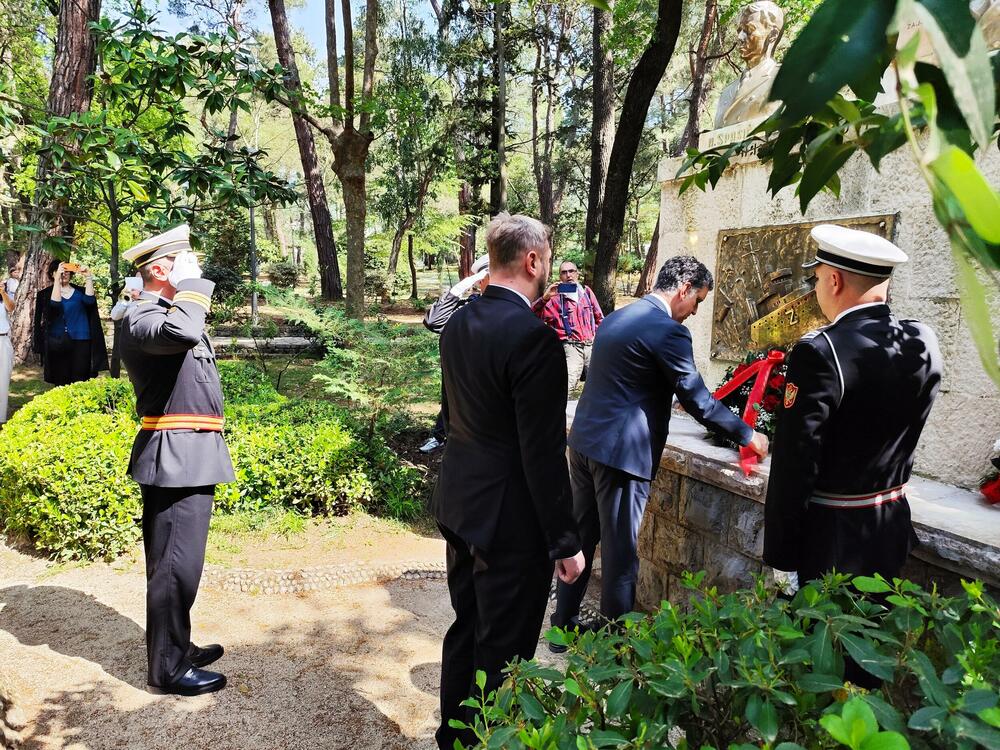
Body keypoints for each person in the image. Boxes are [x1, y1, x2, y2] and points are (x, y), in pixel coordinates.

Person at [551, 256, 769, 645]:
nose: (695, 311)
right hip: (620, 457)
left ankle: (561, 627)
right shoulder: (668, 331)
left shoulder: (618, 317)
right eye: (697, 300)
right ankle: (615, 649)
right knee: (620, 559)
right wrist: (747, 435)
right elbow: (700, 401)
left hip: (584, 445)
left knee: (580, 541)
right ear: (683, 288)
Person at [433, 213, 585, 749]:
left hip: (460, 502)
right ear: (533, 260)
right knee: (505, 647)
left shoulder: (457, 324)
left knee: (466, 627)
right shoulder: (534, 340)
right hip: (509, 524)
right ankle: (487, 742)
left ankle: (454, 738)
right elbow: (542, 454)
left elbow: (454, 417)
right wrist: (565, 542)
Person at [763, 224, 942, 587]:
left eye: (815, 279)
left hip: (832, 542)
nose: (815, 289)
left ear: (834, 280)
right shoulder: (921, 339)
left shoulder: (821, 352)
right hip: (889, 530)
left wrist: (782, 558)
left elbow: (794, 464)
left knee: (823, 642)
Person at [119, 224, 235, 697]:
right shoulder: (140, 315)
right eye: (187, 262)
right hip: (174, 457)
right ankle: (167, 668)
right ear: (164, 268)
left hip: (190, 453)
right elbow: (185, 330)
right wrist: (191, 285)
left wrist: (183, 290)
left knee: (181, 564)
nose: (198, 268)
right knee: (173, 566)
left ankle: (177, 647)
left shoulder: (160, 311)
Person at [419, 254, 490, 454]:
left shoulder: (511, 306)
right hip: (460, 370)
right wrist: (460, 287)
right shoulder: (468, 306)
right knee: (452, 403)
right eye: (487, 274)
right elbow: (434, 321)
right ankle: (441, 438)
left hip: (488, 373)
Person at [532, 260, 604, 395]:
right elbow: (532, 316)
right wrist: (545, 298)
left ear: (577, 274)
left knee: (599, 387)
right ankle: (561, 415)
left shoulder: (586, 293)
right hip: (571, 347)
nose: (568, 275)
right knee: (567, 387)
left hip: (590, 346)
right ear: (560, 277)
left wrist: (597, 337)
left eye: (571, 271)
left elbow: (599, 318)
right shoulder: (554, 298)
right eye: (564, 272)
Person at [32, 260, 109, 385]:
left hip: (82, 339)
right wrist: (57, 280)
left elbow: (90, 301)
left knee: (81, 378)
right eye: (61, 270)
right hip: (57, 341)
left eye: (67, 271)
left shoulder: (80, 291)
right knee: (60, 378)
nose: (64, 273)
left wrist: (88, 276)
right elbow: (55, 304)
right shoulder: (45, 294)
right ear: (52, 274)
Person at [0, 262, 18, 426]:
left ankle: (1, 417)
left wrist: (2, 292)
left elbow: (11, 308)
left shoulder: (4, 296)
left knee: (3, 379)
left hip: (3, 340)